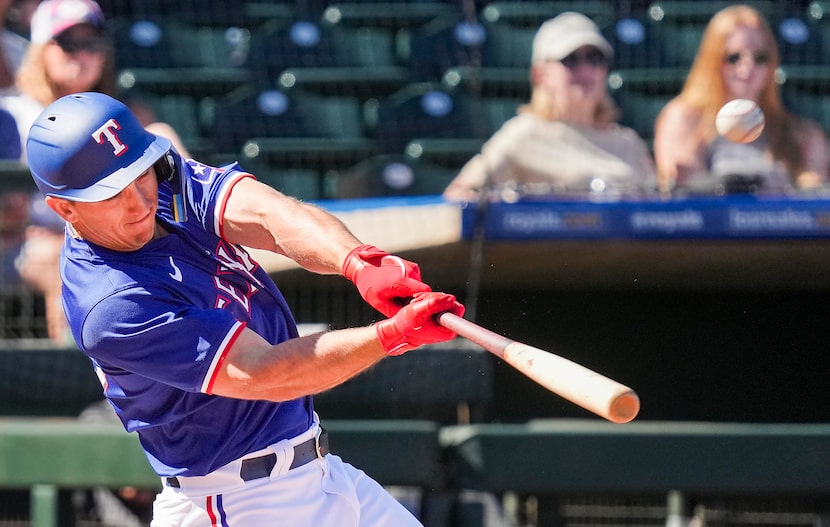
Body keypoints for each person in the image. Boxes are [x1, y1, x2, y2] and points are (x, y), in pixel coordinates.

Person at [26, 91, 465, 526]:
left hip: (317, 471)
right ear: (64, 207)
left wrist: (357, 261)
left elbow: (270, 215)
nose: (140, 202)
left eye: (141, 174)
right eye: (112, 192)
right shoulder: (111, 304)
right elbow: (269, 372)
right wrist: (390, 335)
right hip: (237, 501)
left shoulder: (162, 181)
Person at [6, 0, 191, 343]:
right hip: (26, 244)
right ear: (41, 50)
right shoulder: (12, 113)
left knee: (161, 134)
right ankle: (78, 381)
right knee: (59, 258)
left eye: (92, 43)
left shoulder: (123, 115)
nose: (82, 54)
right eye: (68, 43)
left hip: (109, 233)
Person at [442, 12, 657, 202]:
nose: (585, 69)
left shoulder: (629, 143)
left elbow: (660, 210)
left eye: (594, 58)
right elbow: (459, 196)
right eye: (571, 59)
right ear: (540, 74)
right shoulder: (523, 134)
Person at [653, 4, 830, 195]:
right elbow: (682, 189)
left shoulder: (800, 134)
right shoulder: (684, 119)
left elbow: (815, 197)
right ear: (713, 60)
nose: (747, 67)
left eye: (760, 57)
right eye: (734, 57)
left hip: (777, 222)